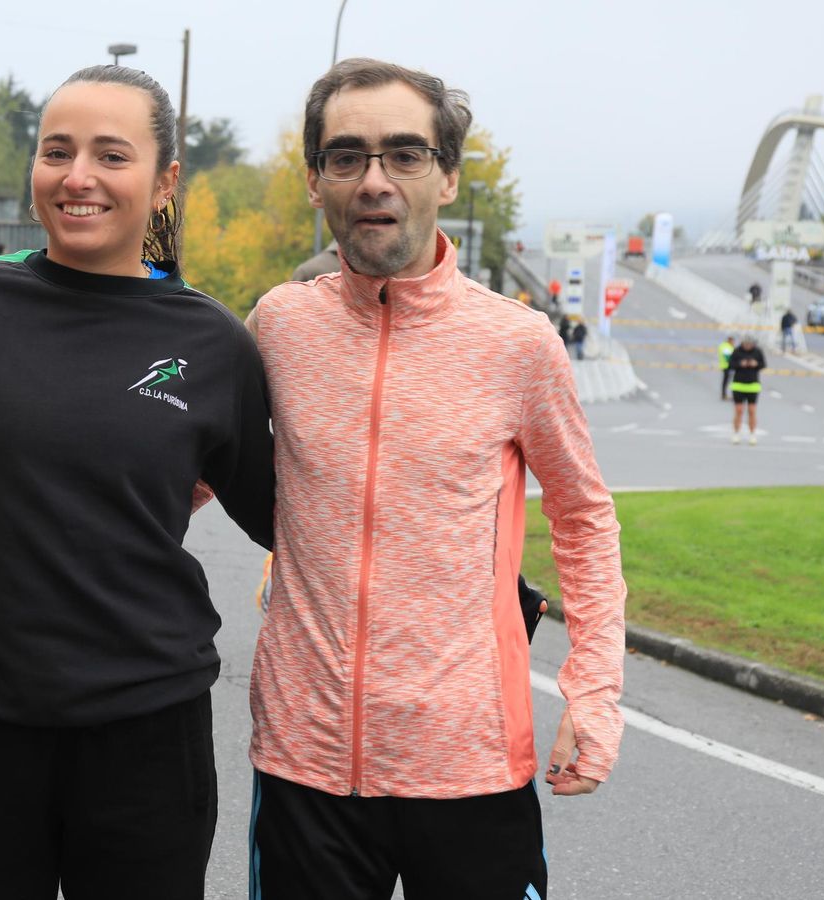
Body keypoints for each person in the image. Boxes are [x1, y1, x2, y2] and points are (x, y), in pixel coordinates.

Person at [243, 59, 624, 900]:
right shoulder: (278, 325)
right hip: (306, 768)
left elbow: (584, 520)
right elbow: (186, 468)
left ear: (447, 175)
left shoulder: (518, 345)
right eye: (347, 157)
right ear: (315, 180)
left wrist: (593, 694)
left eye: (405, 155)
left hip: (471, 770)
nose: (374, 180)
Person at [0, 65, 274, 899]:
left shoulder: (214, 344)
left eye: (112, 155)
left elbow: (291, 516)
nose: (77, 177)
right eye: (56, 152)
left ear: (165, 180)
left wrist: (473, 574)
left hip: (146, 731)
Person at [729, 335, 765, 444]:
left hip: (753, 385)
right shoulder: (737, 351)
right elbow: (730, 364)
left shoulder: (757, 352)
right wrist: (741, 364)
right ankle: (736, 433)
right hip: (738, 384)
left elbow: (763, 364)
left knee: (752, 411)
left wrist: (756, 364)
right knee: (739, 410)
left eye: (750, 344)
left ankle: (752, 434)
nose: (748, 346)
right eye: (746, 344)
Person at [718, 334, 735, 400]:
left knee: (726, 381)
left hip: (725, 366)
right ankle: (724, 395)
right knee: (729, 381)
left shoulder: (725, 346)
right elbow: (728, 358)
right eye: (733, 341)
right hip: (728, 366)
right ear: (729, 340)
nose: (733, 343)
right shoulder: (726, 347)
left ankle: (724, 394)